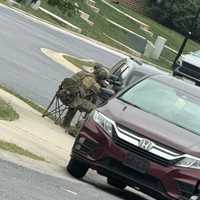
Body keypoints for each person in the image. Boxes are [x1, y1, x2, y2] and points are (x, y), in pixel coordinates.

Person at [62, 64, 110, 134]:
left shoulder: (82, 73)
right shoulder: (93, 83)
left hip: (63, 95)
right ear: (101, 78)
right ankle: (77, 129)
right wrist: (100, 85)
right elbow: (99, 92)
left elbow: (70, 81)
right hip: (73, 101)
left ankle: (65, 123)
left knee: (76, 99)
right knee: (94, 110)